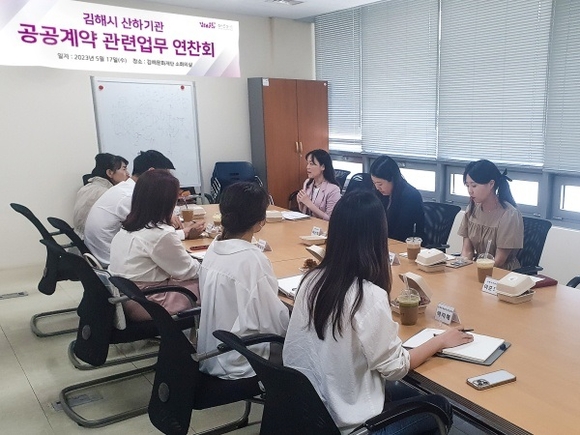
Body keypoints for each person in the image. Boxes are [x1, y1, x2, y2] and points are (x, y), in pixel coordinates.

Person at [283, 190, 473, 434]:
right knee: (439, 406)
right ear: (376, 237)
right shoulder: (367, 295)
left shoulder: (311, 280)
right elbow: (396, 368)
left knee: (406, 392)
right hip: (350, 424)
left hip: (312, 410)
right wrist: (441, 341)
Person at [197, 181, 290, 381]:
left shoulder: (214, 246)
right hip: (239, 359)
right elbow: (275, 321)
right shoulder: (251, 260)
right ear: (259, 221)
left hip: (211, 350)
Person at [108, 170, 201, 321]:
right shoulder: (161, 234)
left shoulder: (128, 228)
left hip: (127, 299)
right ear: (166, 202)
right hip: (151, 303)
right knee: (213, 284)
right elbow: (188, 271)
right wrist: (210, 262)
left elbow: (152, 242)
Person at [84, 150, 204, 266]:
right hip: (112, 261)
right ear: (152, 172)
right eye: (165, 176)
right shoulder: (130, 196)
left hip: (112, 255)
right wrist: (184, 232)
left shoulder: (125, 189)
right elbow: (152, 236)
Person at [459, 159, 524, 270]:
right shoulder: (472, 209)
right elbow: (467, 251)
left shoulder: (509, 214)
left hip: (502, 272)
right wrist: (463, 267)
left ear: (491, 184)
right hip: (478, 267)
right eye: (467, 186)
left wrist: (476, 273)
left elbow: (499, 261)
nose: (470, 191)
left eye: (474, 186)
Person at [73, 153, 129, 238]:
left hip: (81, 239)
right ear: (110, 173)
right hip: (95, 240)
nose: (128, 174)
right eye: (124, 169)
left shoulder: (86, 188)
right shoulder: (107, 194)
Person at [370, 155, 424, 242]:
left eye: (380, 184)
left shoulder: (410, 196)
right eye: (374, 183)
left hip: (405, 244)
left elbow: (402, 232)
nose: (377, 188)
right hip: (385, 243)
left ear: (392, 179)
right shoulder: (379, 194)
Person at [296, 149, 341, 220]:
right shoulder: (307, 182)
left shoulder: (333, 189)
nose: (307, 167)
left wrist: (309, 203)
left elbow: (330, 219)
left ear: (323, 167)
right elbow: (304, 212)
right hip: (308, 223)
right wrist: (301, 202)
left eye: (311, 164)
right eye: (307, 163)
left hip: (322, 226)